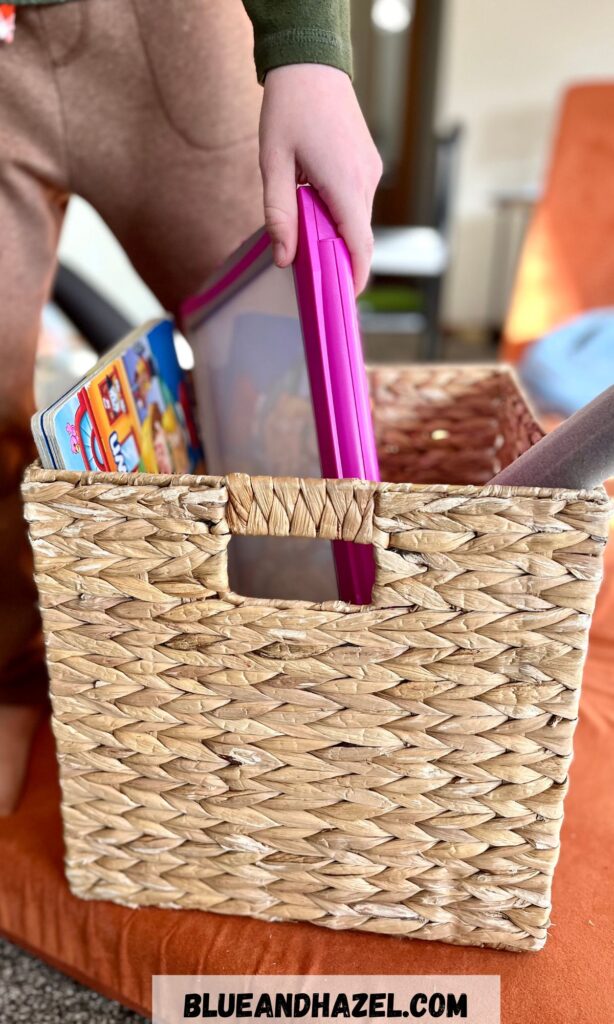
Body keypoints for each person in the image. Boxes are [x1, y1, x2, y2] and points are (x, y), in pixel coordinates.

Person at [0, 0, 382, 813]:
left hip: (163, 32)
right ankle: (11, 679)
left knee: (290, 370)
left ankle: (317, 681)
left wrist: (307, 47)